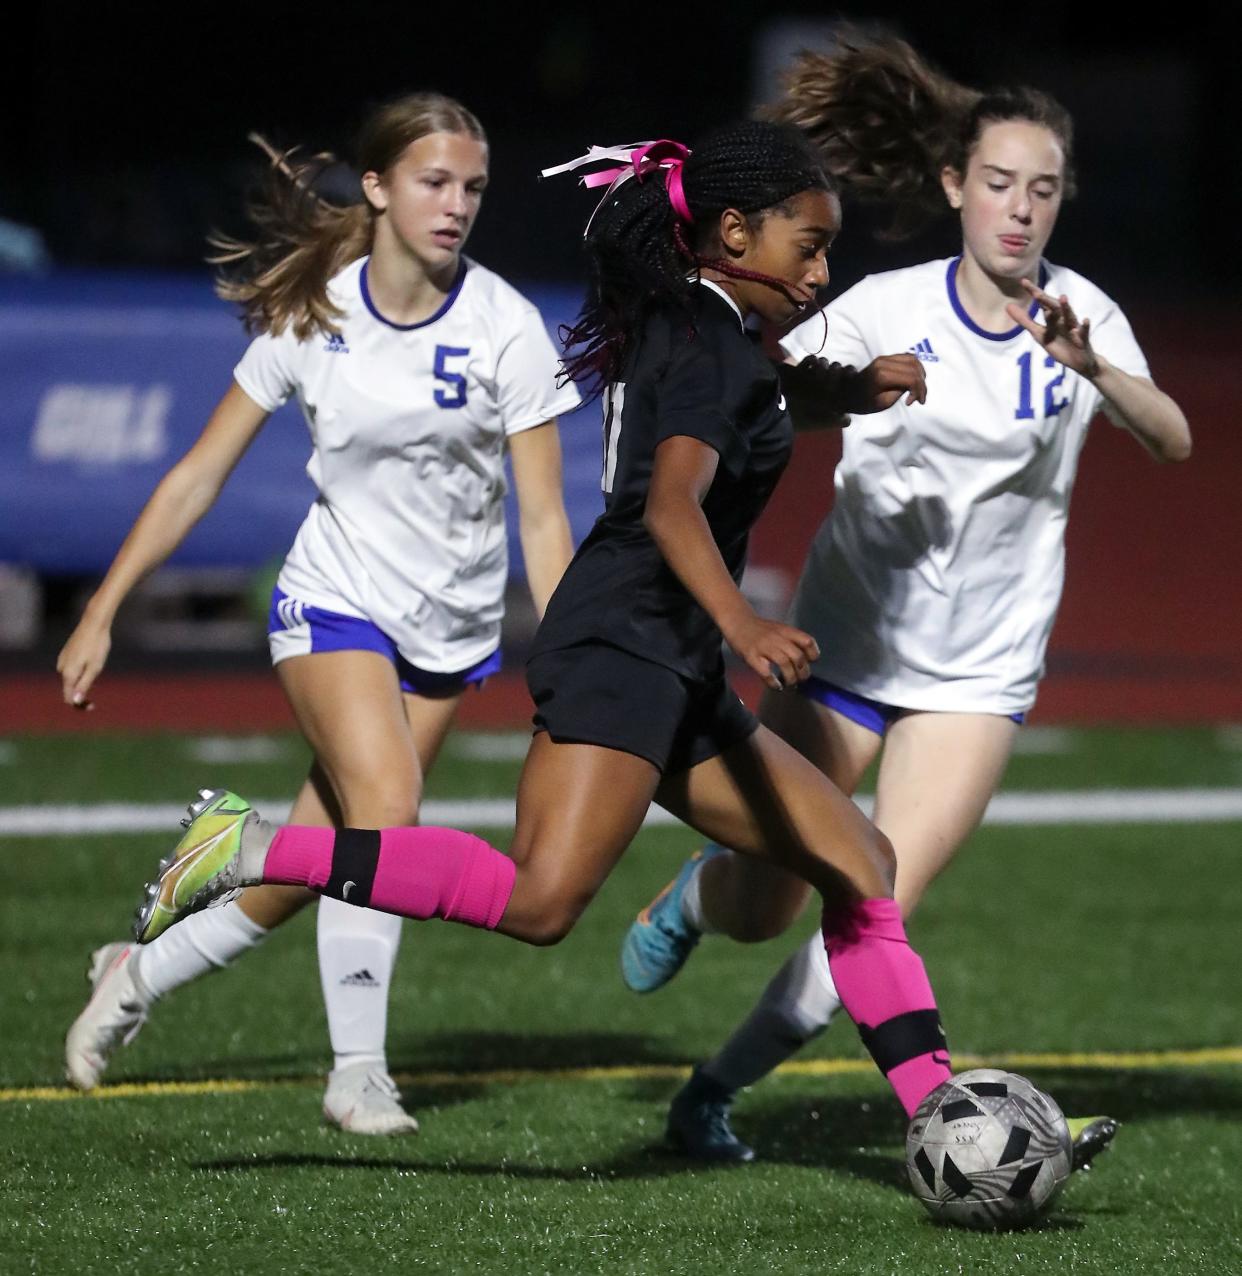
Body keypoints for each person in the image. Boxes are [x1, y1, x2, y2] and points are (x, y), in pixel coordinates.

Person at [128, 120, 977, 1135]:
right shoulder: (714, 348)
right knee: (539, 903)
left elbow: (755, 396)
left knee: (862, 863)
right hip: (630, 646)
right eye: (812, 245)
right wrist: (746, 622)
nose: (825, 270)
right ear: (737, 233)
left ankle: (948, 1118)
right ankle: (253, 843)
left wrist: (848, 389)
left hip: (667, 658)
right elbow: (672, 504)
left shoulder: (694, 321)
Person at [617, 36, 1191, 1163]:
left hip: (978, 677)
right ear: (953, 187)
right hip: (844, 653)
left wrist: (1099, 371)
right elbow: (756, 381)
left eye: (1042, 189)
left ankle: (709, 1095)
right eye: (998, 184)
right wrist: (834, 395)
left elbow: (1171, 438)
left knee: (875, 907)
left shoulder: (1082, 315)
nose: (1019, 211)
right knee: (763, 905)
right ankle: (697, 896)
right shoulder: (883, 306)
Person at [60, 93, 582, 1135]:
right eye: (434, 182)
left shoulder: (507, 326)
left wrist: (574, 651)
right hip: (333, 603)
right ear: (379, 187)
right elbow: (196, 478)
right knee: (387, 810)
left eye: (473, 187)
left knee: (325, 859)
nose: (457, 205)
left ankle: (137, 969)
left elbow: (541, 515)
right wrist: (104, 607)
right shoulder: (313, 314)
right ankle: (358, 1070)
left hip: (450, 632)